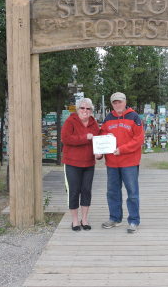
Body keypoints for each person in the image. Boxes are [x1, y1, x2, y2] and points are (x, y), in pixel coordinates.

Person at [99, 92, 144, 233]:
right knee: (112, 192)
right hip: (112, 163)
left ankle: (134, 220)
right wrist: (106, 136)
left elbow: (139, 139)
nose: (117, 104)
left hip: (129, 162)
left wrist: (122, 149)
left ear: (125, 102)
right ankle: (115, 218)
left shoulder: (134, 117)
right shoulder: (108, 118)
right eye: (114, 102)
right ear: (112, 104)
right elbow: (101, 135)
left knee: (132, 192)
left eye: (119, 102)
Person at [61, 98, 100, 231]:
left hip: (89, 163)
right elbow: (65, 138)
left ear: (91, 111)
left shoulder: (94, 123)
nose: (85, 110)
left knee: (86, 191)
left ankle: (84, 219)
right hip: (72, 163)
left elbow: (97, 142)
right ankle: (75, 221)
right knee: (74, 191)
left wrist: (99, 154)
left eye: (88, 108)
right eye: (82, 108)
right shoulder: (70, 121)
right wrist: (85, 137)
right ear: (78, 110)